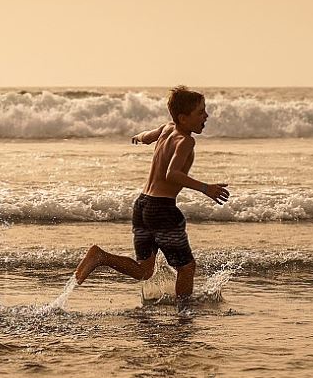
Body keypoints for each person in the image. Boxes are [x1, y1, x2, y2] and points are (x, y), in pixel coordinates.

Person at [75, 86, 229, 310]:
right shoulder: (186, 141)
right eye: (200, 112)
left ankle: (101, 257)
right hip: (162, 210)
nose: (206, 116)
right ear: (183, 118)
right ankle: (183, 313)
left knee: (144, 271)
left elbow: (147, 137)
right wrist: (206, 188)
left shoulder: (167, 129)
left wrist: (137, 137)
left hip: (142, 205)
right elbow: (172, 174)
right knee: (186, 268)